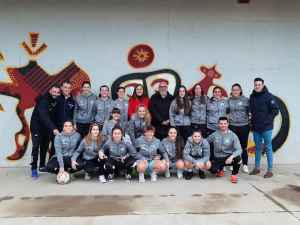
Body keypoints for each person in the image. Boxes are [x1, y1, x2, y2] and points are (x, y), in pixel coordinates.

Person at [249, 77, 279, 178]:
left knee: (268, 147)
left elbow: (275, 110)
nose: (257, 86)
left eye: (259, 84)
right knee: (257, 148)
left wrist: (267, 120)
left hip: (266, 127)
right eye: (256, 84)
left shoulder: (269, 96)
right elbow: (251, 111)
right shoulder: (252, 97)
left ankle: (270, 170)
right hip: (256, 128)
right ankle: (257, 168)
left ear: (263, 85)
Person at [30, 84, 61, 178]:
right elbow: (44, 116)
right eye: (54, 91)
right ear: (50, 91)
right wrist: (53, 128)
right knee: (36, 147)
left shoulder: (56, 100)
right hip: (37, 127)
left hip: (46, 128)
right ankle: (34, 168)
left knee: (44, 146)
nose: (55, 93)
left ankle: (42, 166)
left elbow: (54, 116)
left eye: (57, 92)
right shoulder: (43, 100)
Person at [207, 117, 242, 183]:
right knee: (212, 169)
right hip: (218, 157)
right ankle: (220, 170)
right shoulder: (214, 134)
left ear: (228, 124)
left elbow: (239, 149)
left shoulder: (233, 135)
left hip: (228, 158)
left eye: (225, 123)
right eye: (221, 123)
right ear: (218, 124)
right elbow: (205, 142)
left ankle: (234, 175)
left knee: (238, 158)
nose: (223, 125)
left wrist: (231, 157)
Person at [228, 83, 250, 174]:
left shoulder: (246, 100)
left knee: (243, 146)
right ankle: (234, 163)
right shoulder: (229, 100)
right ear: (232, 91)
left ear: (240, 90)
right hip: (232, 125)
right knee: (233, 146)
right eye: (234, 90)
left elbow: (251, 111)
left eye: (237, 89)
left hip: (244, 126)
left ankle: (245, 164)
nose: (235, 91)